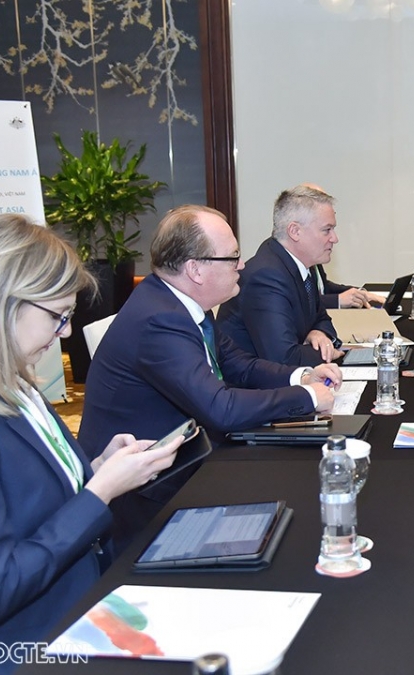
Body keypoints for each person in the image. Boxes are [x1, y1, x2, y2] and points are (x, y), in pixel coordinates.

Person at [0, 215, 183, 674]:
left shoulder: (15, 387)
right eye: (58, 316)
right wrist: (100, 492)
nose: (66, 332)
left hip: (66, 618)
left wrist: (97, 469)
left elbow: (29, 504)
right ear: (2, 304)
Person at [79, 204, 341, 552]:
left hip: (187, 457)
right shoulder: (160, 320)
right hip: (147, 496)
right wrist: (307, 398)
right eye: (232, 257)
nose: (242, 265)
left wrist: (301, 375)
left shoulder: (182, 304)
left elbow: (238, 365)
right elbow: (221, 408)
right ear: (195, 269)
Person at [217, 185, 346, 365]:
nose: (334, 238)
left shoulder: (303, 265)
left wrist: (318, 333)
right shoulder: (266, 277)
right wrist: (329, 353)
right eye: (327, 230)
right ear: (295, 231)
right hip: (253, 381)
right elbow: (284, 357)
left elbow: (322, 318)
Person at [312, 263, 385, 309]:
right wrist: (338, 300)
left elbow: (324, 287)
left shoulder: (315, 263)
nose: (334, 243)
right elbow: (306, 302)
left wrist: (359, 292)